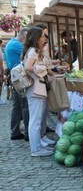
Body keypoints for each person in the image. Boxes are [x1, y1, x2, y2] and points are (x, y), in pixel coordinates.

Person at [23, 26, 57, 157]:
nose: (45, 38)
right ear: (36, 38)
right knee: (35, 120)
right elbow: (28, 67)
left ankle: (37, 146)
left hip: (38, 88)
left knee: (36, 119)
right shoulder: (33, 51)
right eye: (43, 36)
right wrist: (42, 70)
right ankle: (35, 149)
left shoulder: (34, 51)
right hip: (36, 88)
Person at [5, 27, 30, 141]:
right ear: (24, 34)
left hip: (14, 77)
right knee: (25, 105)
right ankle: (28, 132)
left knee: (17, 106)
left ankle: (14, 132)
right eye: (28, 36)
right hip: (20, 78)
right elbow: (29, 54)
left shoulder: (9, 44)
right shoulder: (17, 45)